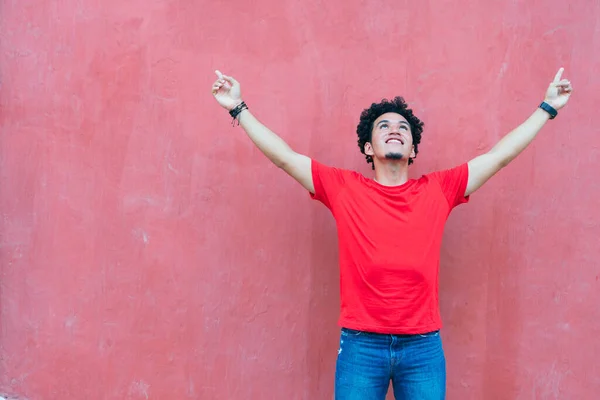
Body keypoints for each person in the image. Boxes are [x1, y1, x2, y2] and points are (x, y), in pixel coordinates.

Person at [210, 68, 573, 400]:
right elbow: (285, 157)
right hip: (360, 345)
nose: (394, 129)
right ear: (369, 148)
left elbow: (498, 157)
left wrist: (547, 108)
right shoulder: (344, 188)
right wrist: (238, 108)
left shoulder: (439, 189)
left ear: (413, 149)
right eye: (382, 126)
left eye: (403, 127)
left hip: (422, 346)